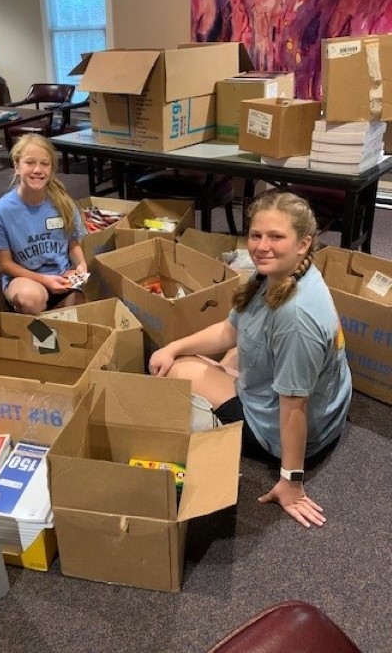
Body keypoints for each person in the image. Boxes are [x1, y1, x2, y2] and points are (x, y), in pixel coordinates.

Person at [148, 190, 352, 529]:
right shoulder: (282, 272)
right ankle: (222, 381)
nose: (261, 246)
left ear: (304, 243)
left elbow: (294, 409)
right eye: (256, 235)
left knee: (178, 370)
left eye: (276, 236)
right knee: (207, 353)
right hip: (323, 401)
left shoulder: (295, 318)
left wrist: (291, 481)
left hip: (294, 428)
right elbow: (231, 331)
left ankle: (220, 418)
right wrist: (173, 345)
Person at [0, 133, 88, 314]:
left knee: (82, 312)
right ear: (16, 166)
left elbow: (73, 245)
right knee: (32, 298)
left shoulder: (64, 204)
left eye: (44, 164)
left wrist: (81, 267)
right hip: (24, 280)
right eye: (30, 163)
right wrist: (45, 280)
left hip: (62, 278)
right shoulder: (0, 212)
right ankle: (37, 334)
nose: (37, 170)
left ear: (51, 169)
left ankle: (52, 330)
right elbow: (4, 264)